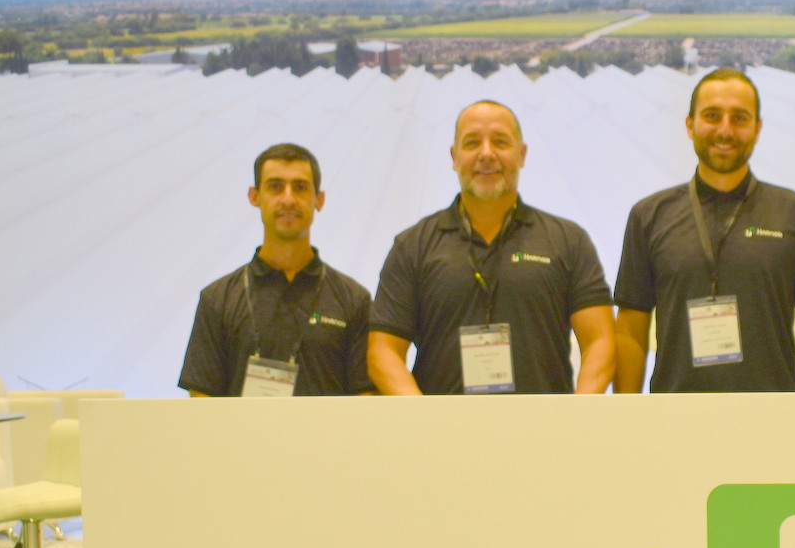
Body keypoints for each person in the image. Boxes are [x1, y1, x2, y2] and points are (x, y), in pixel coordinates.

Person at [613, 68, 795, 393]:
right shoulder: (648, 216)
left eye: (739, 118)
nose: (725, 130)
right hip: (676, 414)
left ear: (757, 129)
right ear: (690, 125)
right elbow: (630, 330)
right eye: (712, 116)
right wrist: (626, 413)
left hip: (773, 414)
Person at [367, 100, 615, 395]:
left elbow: (600, 341)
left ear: (521, 154)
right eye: (472, 143)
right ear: (454, 157)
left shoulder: (568, 240)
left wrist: (577, 413)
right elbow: (383, 351)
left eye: (500, 142)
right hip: (444, 424)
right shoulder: (412, 246)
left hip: (543, 423)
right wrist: (422, 416)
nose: (486, 154)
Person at [179, 143, 373, 397]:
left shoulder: (354, 300)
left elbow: (365, 398)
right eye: (275, 186)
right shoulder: (217, 299)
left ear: (319, 200)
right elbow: (201, 398)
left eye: (300, 187)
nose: (288, 199)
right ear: (254, 196)